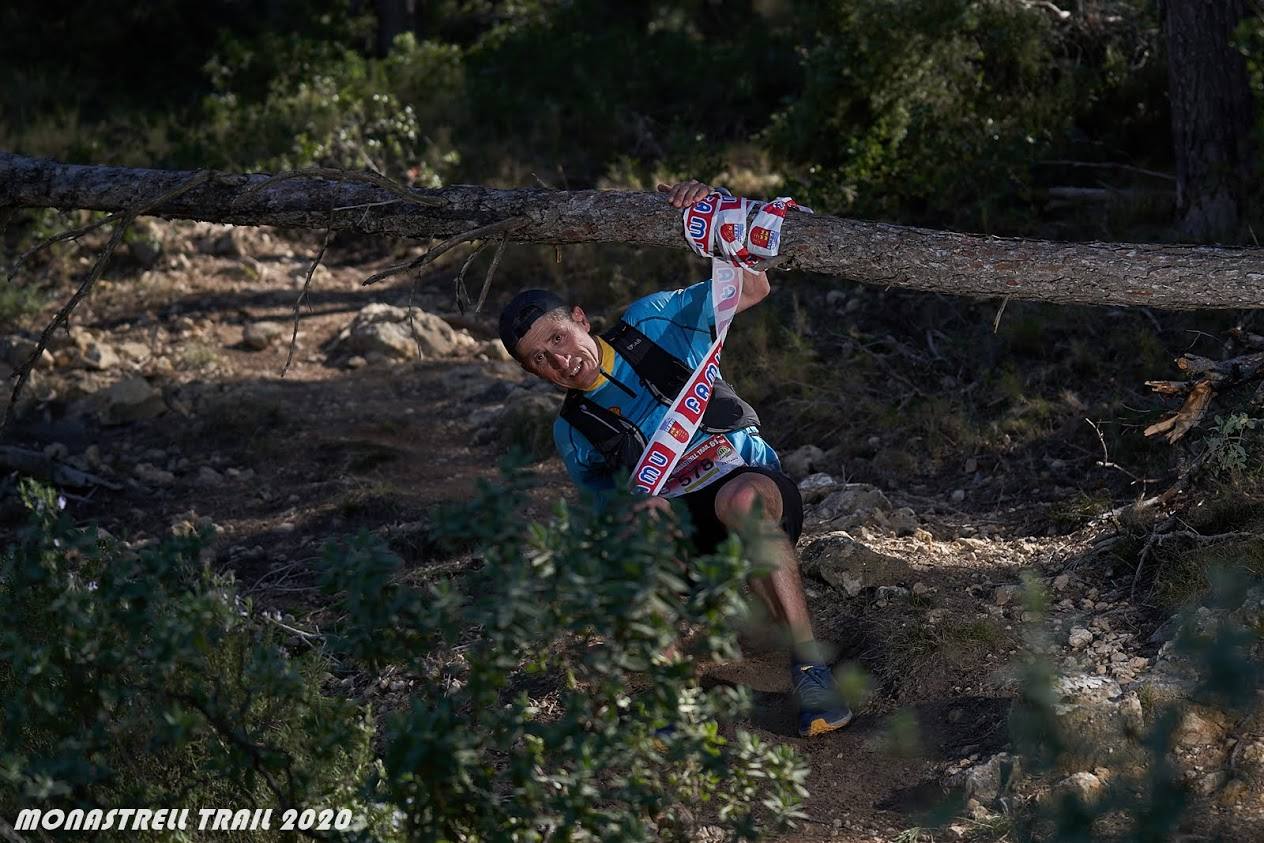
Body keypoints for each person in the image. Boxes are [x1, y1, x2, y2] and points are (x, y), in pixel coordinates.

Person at [496, 180, 851, 738]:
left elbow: (752, 287)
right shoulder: (573, 431)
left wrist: (715, 210)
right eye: (540, 359)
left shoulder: (655, 320)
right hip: (682, 540)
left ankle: (810, 668)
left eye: (559, 337)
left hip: (750, 487)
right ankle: (672, 699)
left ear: (582, 319)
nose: (561, 361)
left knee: (740, 499)